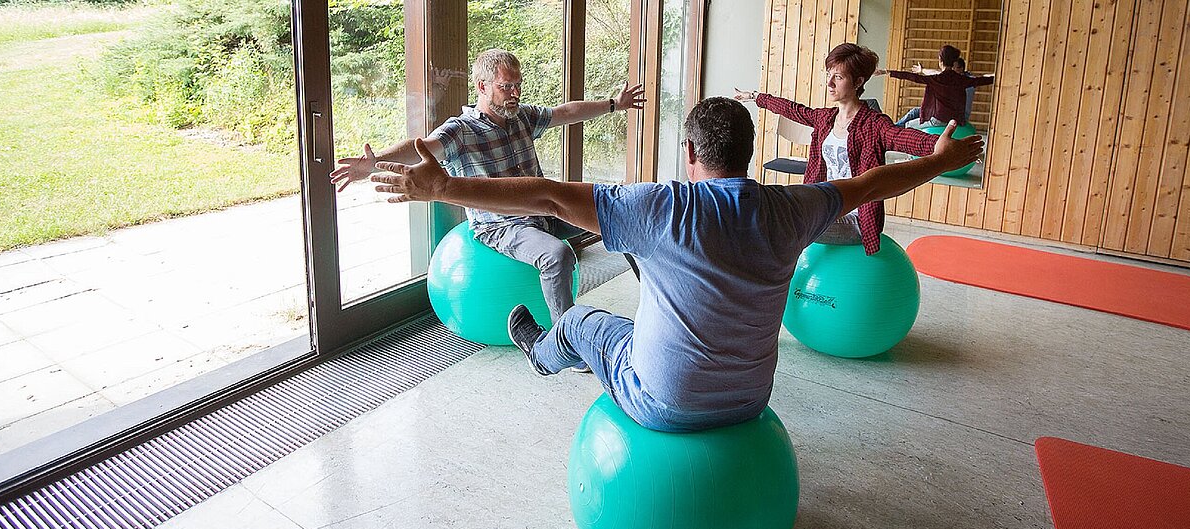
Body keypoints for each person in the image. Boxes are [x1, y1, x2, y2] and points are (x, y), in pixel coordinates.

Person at [369, 97, 982, 432]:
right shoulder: (793, 208)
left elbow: (550, 194)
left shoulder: (661, 207)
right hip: (750, 400)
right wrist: (938, 157)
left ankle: (543, 354)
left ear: (689, 153)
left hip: (664, 401)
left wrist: (442, 187)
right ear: (749, 153)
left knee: (585, 322)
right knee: (645, 298)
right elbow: (875, 182)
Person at [330, 49, 645, 357]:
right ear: (482, 86)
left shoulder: (522, 117)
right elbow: (421, 147)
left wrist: (614, 104)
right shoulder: (461, 131)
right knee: (557, 255)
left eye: (518, 85)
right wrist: (374, 162)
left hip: (542, 211)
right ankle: (566, 346)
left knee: (617, 216)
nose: (515, 93)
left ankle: (654, 301)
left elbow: (565, 112)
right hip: (501, 226)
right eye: (506, 86)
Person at [733, 43, 940, 255]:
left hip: (855, 219)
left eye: (838, 77)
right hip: (824, 206)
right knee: (771, 209)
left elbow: (902, 137)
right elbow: (792, 109)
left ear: (858, 81)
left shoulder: (873, 124)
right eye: (828, 75)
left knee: (786, 225)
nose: (830, 83)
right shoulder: (825, 119)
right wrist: (755, 96)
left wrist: (939, 145)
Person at [878, 45, 993, 130]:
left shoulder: (936, 79)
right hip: (957, 120)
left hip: (939, 121)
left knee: (908, 125)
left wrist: (887, 72)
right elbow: (982, 80)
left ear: (940, 61)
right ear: (953, 63)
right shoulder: (962, 79)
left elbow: (911, 77)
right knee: (914, 114)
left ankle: (896, 139)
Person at [893, 56, 977, 126]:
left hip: (954, 116)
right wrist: (922, 70)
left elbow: (937, 74)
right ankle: (894, 127)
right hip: (950, 113)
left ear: (960, 69)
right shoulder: (960, 78)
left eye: (953, 68)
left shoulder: (962, 81)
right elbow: (936, 73)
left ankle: (894, 130)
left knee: (910, 124)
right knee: (915, 112)